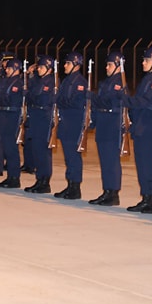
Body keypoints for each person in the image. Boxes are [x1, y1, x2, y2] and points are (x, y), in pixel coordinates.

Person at [126, 47, 152, 213]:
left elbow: (144, 101)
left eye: (146, 60)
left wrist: (127, 100)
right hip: (140, 126)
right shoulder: (147, 79)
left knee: (149, 164)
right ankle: (145, 196)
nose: (143, 63)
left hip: (149, 126)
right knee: (142, 164)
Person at [87, 51, 127, 207]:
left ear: (118, 66)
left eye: (110, 65)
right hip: (103, 123)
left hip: (112, 124)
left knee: (111, 161)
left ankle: (113, 193)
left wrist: (92, 97)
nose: (107, 67)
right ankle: (107, 190)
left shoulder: (120, 83)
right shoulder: (105, 82)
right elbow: (100, 103)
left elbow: (108, 101)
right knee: (104, 160)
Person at [53, 51, 89, 200]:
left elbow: (76, 102)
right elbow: (58, 98)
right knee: (68, 156)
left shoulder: (80, 82)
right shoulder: (67, 80)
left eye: (68, 63)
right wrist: (61, 101)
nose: (65, 66)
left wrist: (61, 102)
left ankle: (75, 187)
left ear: (76, 65)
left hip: (74, 122)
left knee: (73, 155)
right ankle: (70, 184)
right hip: (66, 121)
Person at [23, 55, 57, 193]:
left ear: (49, 69)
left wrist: (31, 95)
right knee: (36, 150)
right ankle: (39, 179)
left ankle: (45, 181)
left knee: (43, 151)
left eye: (41, 67)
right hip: (35, 117)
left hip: (44, 118)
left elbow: (41, 99)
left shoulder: (51, 82)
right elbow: (30, 94)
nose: (39, 70)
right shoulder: (39, 80)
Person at [0, 58, 26, 189]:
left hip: (11, 115)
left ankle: (14, 177)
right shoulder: (7, 81)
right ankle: (11, 176)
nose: (6, 70)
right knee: (7, 147)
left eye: (9, 68)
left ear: (15, 69)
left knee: (11, 148)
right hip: (4, 114)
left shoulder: (18, 83)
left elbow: (10, 100)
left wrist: (0, 99)